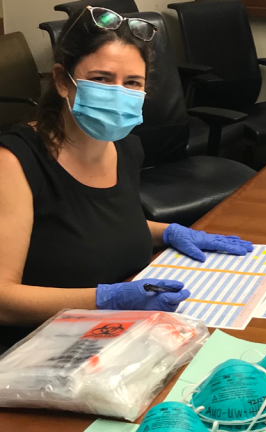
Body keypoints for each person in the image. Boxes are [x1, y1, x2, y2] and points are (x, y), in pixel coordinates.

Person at [0, 7, 252, 351]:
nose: (118, 93)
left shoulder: (125, 147)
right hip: (40, 349)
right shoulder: (14, 162)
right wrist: (109, 299)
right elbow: (3, 300)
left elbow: (96, 222)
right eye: (102, 79)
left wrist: (169, 231)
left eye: (132, 82)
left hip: (120, 335)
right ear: (62, 81)